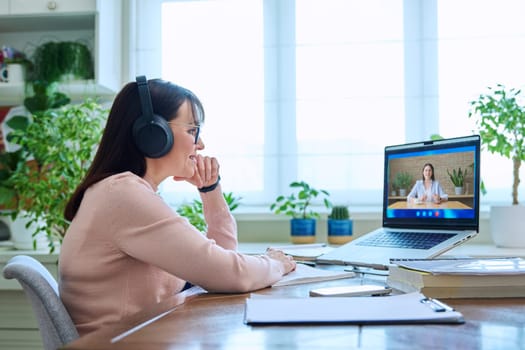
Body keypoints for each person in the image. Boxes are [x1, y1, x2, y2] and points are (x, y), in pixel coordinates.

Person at [59, 77, 296, 336]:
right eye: (193, 130)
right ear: (153, 134)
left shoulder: (124, 191)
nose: (201, 144)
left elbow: (218, 269)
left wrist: (210, 189)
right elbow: (231, 275)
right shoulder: (122, 195)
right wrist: (277, 264)